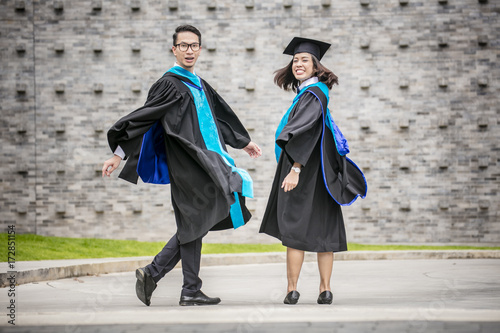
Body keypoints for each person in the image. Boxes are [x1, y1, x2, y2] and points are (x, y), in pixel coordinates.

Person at [102, 25, 261, 307]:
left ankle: (188, 289)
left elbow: (219, 118)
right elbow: (144, 117)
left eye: (194, 45)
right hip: (188, 165)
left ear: (200, 49)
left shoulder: (198, 83)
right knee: (199, 217)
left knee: (196, 220)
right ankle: (159, 274)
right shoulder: (169, 84)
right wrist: (118, 153)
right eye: (184, 45)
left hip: (209, 162)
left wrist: (242, 142)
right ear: (174, 49)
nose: (190, 50)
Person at [259, 37, 367, 305]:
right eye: (295, 60)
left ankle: (293, 289)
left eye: (304, 59)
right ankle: (324, 289)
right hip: (321, 172)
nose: (298, 63)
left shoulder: (313, 94)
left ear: (316, 66)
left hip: (304, 169)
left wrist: (295, 168)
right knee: (323, 229)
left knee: (296, 228)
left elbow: (305, 133)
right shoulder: (312, 93)